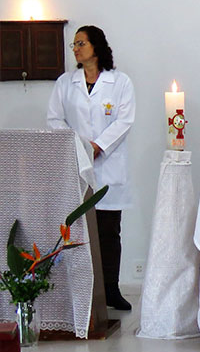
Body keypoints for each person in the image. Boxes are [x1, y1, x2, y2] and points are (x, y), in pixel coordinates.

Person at [47, 25, 135, 310]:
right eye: (74, 44)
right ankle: (82, 291)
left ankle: (111, 289)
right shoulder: (65, 83)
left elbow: (124, 121)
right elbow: (54, 120)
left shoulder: (120, 82)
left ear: (96, 46)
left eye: (81, 43)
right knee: (79, 231)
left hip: (108, 166)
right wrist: (80, 146)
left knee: (109, 231)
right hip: (76, 165)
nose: (75, 48)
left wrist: (98, 146)